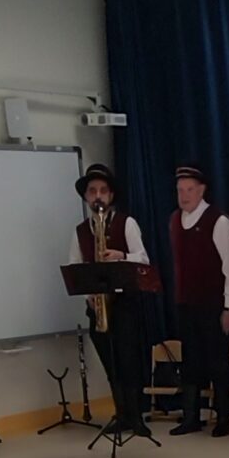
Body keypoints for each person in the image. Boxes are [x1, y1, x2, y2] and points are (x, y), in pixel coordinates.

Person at [163, 163, 229, 437]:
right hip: (186, 303)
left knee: (217, 361)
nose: (184, 196)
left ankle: (223, 417)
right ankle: (191, 416)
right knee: (191, 361)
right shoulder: (175, 220)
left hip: (212, 304)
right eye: (180, 190)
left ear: (202, 190)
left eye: (189, 190)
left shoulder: (217, 221)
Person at [73, 164, 151, 433]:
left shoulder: (126, 223)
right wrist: (89, 296)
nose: (98, 196)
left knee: (129, 361)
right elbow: (75, 268)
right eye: (92, 191)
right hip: (98, 307)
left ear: (111, 195)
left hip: (124, 304)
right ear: (86, 196)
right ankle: (121, 414)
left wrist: (122, 256)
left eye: (103, 191)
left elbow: (143, 259)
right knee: (111, 364)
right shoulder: (80, 231)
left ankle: (136, 417)